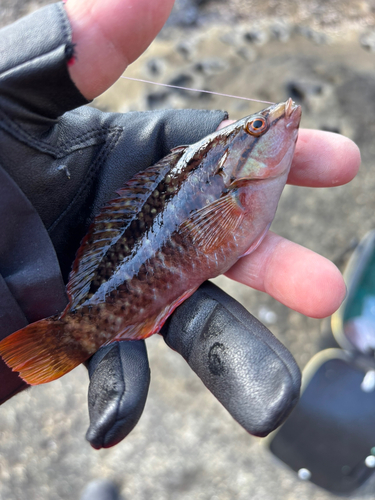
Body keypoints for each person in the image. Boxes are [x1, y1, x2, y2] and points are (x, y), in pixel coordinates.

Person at [0, 0, 360, 450]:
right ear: (233, 160)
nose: (277, 116)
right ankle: (75, 332)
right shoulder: (232, 186)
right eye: (255, 129)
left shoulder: (237, 183)